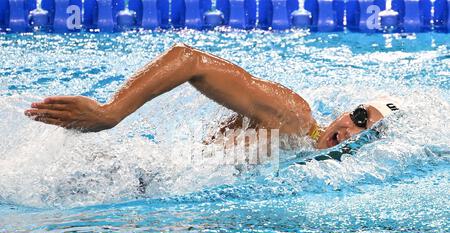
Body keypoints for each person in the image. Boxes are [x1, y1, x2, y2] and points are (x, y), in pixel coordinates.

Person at [24, 43, 400, 150]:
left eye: (367, 132)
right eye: (360, 117)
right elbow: (189, 60)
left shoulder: (306, 157)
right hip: (144, 182)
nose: (354, 130)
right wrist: (111, 113)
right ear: (344, 112)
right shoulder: (295, 119)